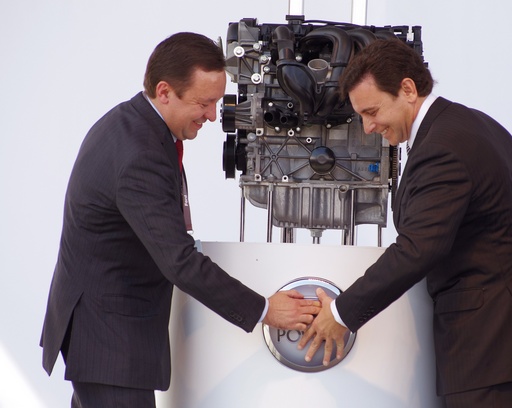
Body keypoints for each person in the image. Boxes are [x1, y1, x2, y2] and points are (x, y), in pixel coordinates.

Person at [40, 32, 321, 407]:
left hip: (104, 336)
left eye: (216, 102)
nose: (213, 116)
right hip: (109, 341)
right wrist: (266, 310)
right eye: (204, 103)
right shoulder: (139, 152)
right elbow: (179, 261)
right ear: (165, 92)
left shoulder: (133, 124)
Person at [298, 38, 512, 407]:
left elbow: (418, 249)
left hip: (488, 346)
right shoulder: (477, 124)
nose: (368, 127)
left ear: (407, 89)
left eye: (372, 111)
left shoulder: (443, 147)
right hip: (500, 344)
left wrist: (340, 314)